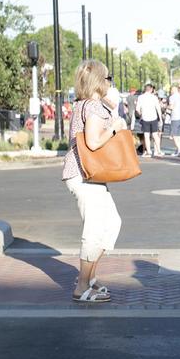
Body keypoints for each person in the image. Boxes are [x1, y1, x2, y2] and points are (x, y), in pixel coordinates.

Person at [60, 60, 127, 303]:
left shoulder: (85, 105)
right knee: (96, 228)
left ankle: (89, 277)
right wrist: (115, 128)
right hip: (84, 174)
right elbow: (93, 143)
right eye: (108, 79)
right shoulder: (92, 107)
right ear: (100, 82)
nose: (110, 83)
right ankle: (82, 285)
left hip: (85, 174)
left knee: (111, 223)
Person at [135, 83, 161, 158]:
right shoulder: (154, 97)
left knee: (146, 135)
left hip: (145, 118)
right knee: (155, 135)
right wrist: (160, 118)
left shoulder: (140, 97)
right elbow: (158, 108)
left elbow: (137, 109)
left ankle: (148, 151)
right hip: (153, 118)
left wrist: (141, 114)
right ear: (151, 89)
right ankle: (158, 150)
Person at [167, 85, 180, 156]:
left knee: (174, 135)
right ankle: (178, 150)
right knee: (179, 135)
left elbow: (171, 107)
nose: (170, 92)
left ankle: (179, 149)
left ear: (173, 90)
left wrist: (166, 106)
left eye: (171, 90)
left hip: (175, 117)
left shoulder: (172, 97)